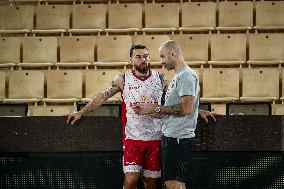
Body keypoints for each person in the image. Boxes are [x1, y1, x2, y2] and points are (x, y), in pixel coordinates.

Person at [67, 44, 167, 189]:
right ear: (131, 60)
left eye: (145, 56)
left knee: (150, 183)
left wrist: (198, 110)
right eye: (138, 57)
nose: (143, 60)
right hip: (133, 139)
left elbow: (179, 100)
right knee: (131, 181)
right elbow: (102, 96)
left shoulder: (160, 78)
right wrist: (81, 112)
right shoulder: (123, 79)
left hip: (155, 139)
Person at [133, 40, 216, 189]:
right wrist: (148, 110)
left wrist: (156, 108)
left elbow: (186, 108)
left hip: (177, 138)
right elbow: (175, 110)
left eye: (163, 56)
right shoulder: (179, 76)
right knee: (175, 182)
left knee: (173, 183)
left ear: (173, 53)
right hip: (172, 137)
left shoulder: (185, 76)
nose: (162, 61)